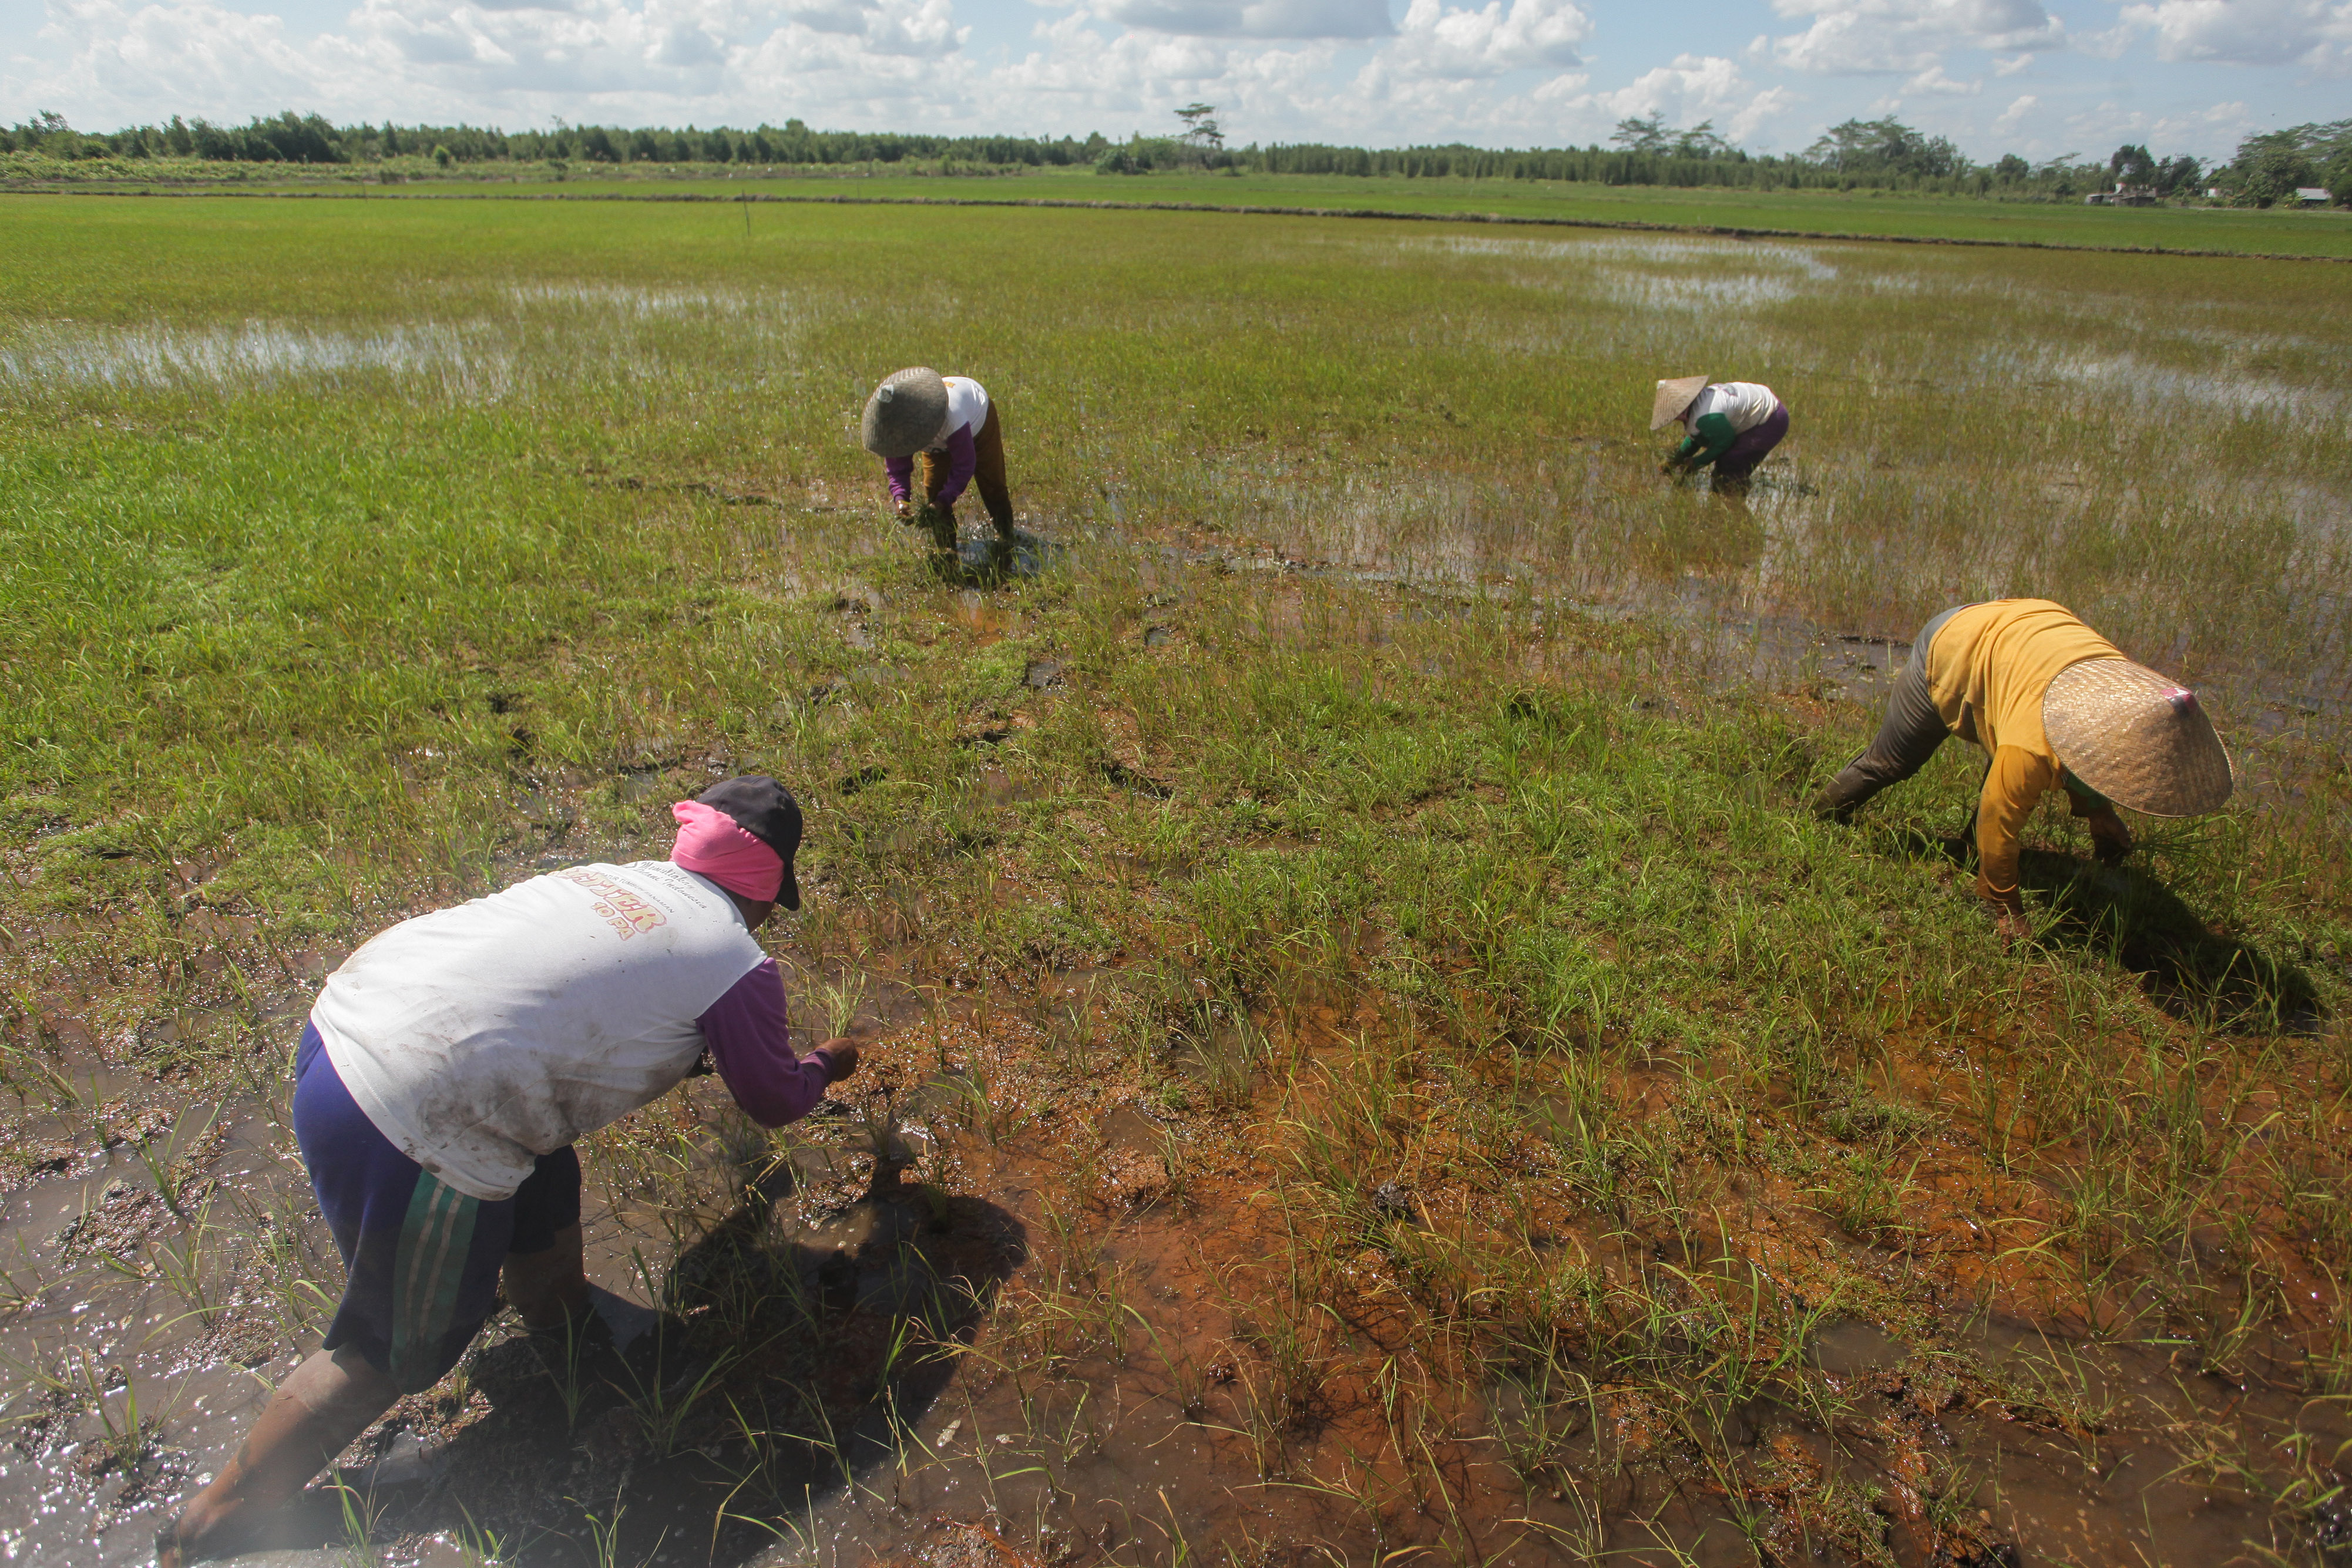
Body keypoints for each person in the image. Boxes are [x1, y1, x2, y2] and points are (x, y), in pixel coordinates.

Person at [158, 776, 860, 1566]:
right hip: (417, 1116)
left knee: (540, 1166)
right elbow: (770, 1097)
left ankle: (564, 1329)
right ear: (768, 893)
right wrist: (825, 1065)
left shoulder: (617, 880)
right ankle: (213, 1521)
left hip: (343, 1031)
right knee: (394, 1349)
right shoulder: (737, 960)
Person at [1810, 599, 2234, 939]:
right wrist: (2006, 906)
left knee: (2010, 740)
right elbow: (2000, 817)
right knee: (1891, 763)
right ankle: (1817, 820)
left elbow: (2096, 757)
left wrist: (2099, 813)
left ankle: (1969, 851)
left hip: (2027, 632)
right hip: (1956, 641)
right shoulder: (2030, 745)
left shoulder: (2124, 697)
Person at [860, 367, 1017, 551]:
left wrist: (945, 500)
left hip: (978, 423)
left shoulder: (952, 416)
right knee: (934, 489)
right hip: (940, 438)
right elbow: (897, 467)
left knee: (992, 485)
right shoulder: (897, 426)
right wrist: (901, 498)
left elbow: (965, 465)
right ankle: (946, 548)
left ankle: (1007, 537)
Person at [1652, 375, 1789, 490]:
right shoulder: (1699, 406)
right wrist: (1676, 460)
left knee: (1731, 465)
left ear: (1682, 410)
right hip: (1760, 406)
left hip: (1772, 419)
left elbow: (1724, 441)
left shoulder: (1707, 416)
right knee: (1722, 471)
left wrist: (1697, 463)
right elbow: (1696, 438)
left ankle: (1734, 499)